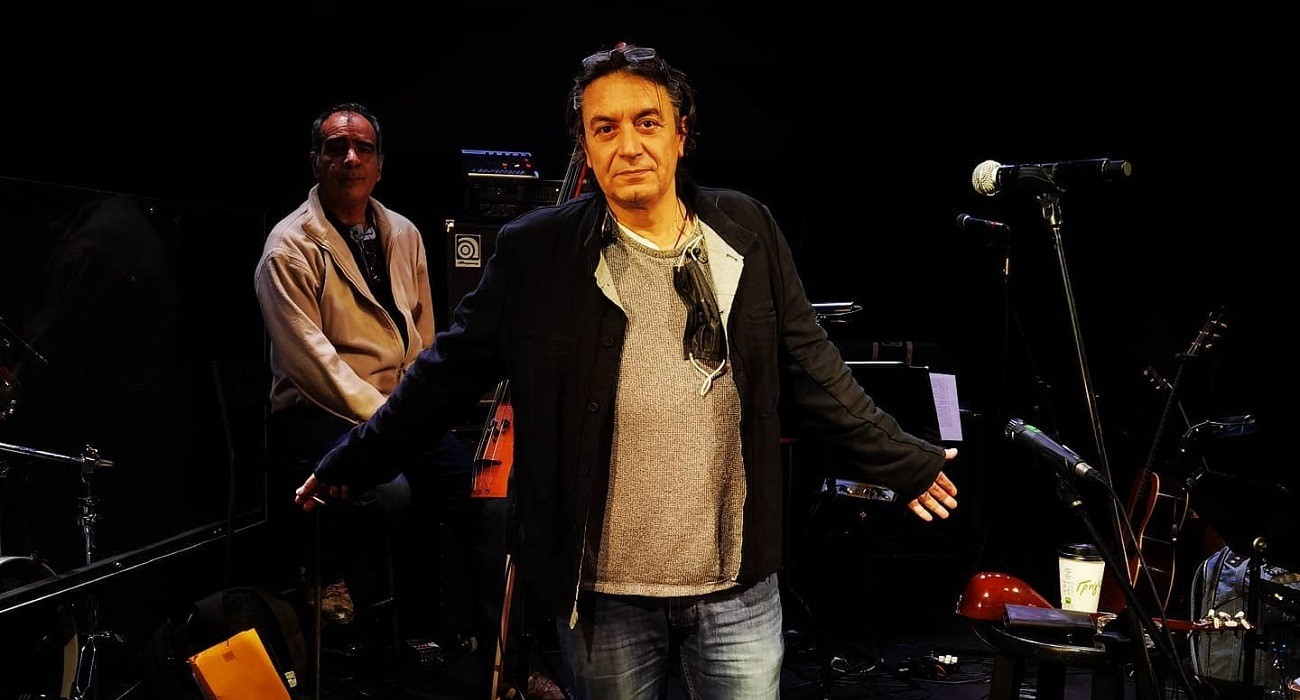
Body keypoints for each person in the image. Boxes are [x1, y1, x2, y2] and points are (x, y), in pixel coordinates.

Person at [294, 44, 959, 699]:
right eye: (605, 128)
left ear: (680, 134)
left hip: (737, 584)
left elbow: (812, 366)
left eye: (647, 122)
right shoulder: (537, 253)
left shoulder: (746, 227)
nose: (629, 146)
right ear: (584, 148)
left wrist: (900, 459)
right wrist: (352, 460)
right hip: (602, 594)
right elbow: (442, 377)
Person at [254, 102, 474, 636]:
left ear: (380, 165)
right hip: (319, 410)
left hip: (396, 408)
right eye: (336, 147)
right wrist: (393, 422)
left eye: (363, 148)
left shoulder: (405, 233)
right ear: (316, 161)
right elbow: (312, 366)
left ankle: (452, 625)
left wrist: (419, 408)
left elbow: (423, 337)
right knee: (391, 490)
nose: (351, 158)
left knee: (472, 484)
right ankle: (327, 573)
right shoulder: (287, 248)